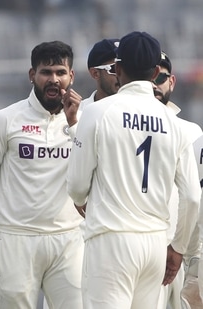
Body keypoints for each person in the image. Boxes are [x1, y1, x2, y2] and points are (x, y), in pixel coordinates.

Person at [67, 31, 201, 309]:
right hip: (154, 246)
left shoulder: (98, 112)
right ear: (155, 72)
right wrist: (177, 249)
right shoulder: (174, 123)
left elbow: (77, 185)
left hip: (111, 240)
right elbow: (191, 197)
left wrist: (81, 200)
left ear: (117, 68)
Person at [0, 40, 84, 309]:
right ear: (32, 75)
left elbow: (91, 173)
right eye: (46, 72)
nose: (54, 80)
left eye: (60, 72)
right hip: (17, 239)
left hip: (69, 240)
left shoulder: (83, 120)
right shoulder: (5, 119)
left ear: (71, 76)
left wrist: (75, 125)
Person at [153, 51, 203, 309]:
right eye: (148, 76)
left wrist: (187, 249)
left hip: (185, 252)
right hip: (146, 247)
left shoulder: (192, 133)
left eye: (160, 77)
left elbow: (196, 197)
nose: (154, 85)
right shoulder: (119, 128)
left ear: (171, 81)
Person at [80, 38, 120, 110]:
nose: (121, 75)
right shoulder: (79, 112)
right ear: (95, 73)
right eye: (114, 69)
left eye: (126, 68)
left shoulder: (140, 110)